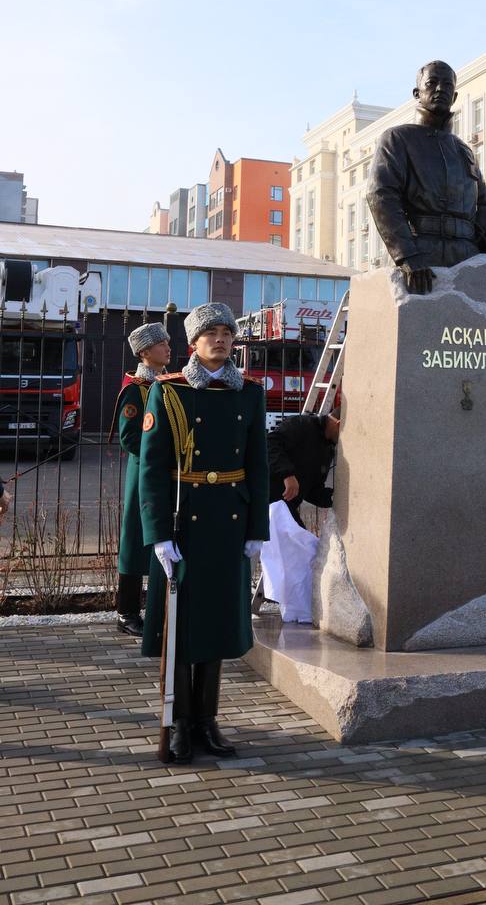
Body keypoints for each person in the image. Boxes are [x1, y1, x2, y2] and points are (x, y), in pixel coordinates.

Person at [138, 302, 269, 763]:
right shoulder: (169, 393)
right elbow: (152, 470)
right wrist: (157, 534)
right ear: (193, 343)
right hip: (183, 524)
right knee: (181, 629)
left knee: (215, 625)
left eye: (227, 333)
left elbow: (258, 464)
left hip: (228, 525)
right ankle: (178, 723)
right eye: (210, 332)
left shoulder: (249, 394)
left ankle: (207, 721)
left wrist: (257, 528)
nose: (220, 339)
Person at [366, 60, 486, 294]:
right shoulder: (398, 138)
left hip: (468, 254)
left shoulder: (462, 150)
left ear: (455, 96)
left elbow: (484, 202)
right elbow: (381, 195)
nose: (440, 89)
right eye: (432, 83)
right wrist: (407, 255)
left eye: (447, 85)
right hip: (422, 253)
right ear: (417, 93)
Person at [111, 322, 171, 636]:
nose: (168, 348)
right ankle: (127, 613)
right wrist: (160, 455)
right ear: (145, 352)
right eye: (162, 344)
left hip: (164, 473)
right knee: (135, 540)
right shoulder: (136, 388)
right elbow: (130, 437)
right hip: (143, 473)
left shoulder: (166, 384)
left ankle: (160, 607)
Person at [268, 411, 340, 524]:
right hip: (263, 502)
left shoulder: (327, 450)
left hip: (285, 510)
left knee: (306, 541)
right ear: (339, 424)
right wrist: (287, 475)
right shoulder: (301, 424)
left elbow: (313, 491)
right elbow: (271, 444)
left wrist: (335, 498)